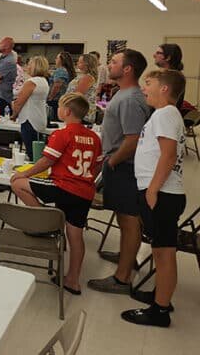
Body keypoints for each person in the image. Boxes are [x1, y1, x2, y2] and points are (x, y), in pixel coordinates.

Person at [11, 93, 103, 295]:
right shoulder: (94, 138)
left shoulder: (62, 134)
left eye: (60, 107)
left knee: (18, 184)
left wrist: (24, 173)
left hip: (63, 187)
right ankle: (73, 280)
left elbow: (47, 161)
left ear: (67, 111)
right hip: (84, 192)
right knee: (75, 236)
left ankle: (46, 221)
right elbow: (98, 165)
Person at [122, 69, 186, 327]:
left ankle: (159, 310)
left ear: (164, 88)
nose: (144, 88)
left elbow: (168, 155)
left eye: (149, 83)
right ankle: (162, 296)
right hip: (162, 191)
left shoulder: (165, 114)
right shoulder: (164, 115)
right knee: (163, 249)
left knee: (163, 252)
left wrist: (152, 190)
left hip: (162, 193)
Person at [88, 49, 150, 295]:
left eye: (114, 62)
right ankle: (126, 256)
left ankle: (122, 278)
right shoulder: (123, 94)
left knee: (129, 219)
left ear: (127, 69)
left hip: (125, 166)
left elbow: (133, 139)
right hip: (120, 164)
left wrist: (112, 162)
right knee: (126, 219)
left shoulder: (131, 99)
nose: (109, 65)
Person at [12, 56, 51, 160]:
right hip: (40, 118)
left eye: (29, 65)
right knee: (38, 151)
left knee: (31, 152)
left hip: (29, 119)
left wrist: (14, 115)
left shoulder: (31, 82)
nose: (27, 67)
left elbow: (19, 102)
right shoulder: (44, 81)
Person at [154, 43, 185, 111]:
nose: (154, 55)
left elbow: (160, 103)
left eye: (158, 53)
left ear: (168, 57)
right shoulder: (164, 75)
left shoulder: (173, 79)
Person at [68, 53, 98, 123]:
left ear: (86, 64)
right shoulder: (82, 76)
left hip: (81, 113)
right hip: (77, 110)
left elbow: (77, 94)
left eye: (80, 61)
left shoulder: (88, 77)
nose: (77, 62)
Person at [47, 52, 76, 122]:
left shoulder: (60, 70)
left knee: (54, 119)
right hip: (62, 98)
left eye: (57, 58)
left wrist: (50, 97)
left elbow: (57, 85)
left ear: (62, 60)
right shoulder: (67, 70)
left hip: (56, 99)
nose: (55, 60)